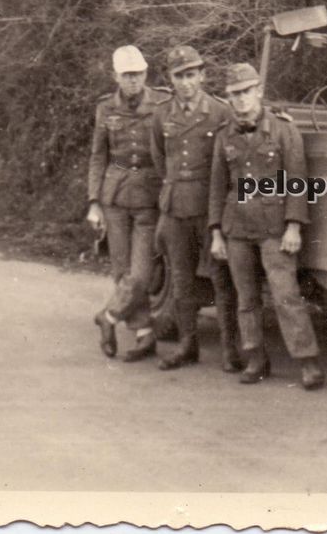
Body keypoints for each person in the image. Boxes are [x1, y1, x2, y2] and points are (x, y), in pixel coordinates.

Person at [208, 63, 325, 390]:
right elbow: (218, 188)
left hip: (274, 227)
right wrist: (216, 231)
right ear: (228, 98)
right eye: (234, 94)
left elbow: (298, 181)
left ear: (259, 91)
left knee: (286, 295)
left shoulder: (284, 130)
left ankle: (307, 360)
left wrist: (294, 227)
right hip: (237, 229)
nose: (241, 100)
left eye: (246, 92)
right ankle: (256, 357)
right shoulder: (224, 136)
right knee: (246, 298)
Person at [150, 45, 241, 372]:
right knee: (182, 280)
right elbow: (160, 161)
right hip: (175, 207)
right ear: (170, 79)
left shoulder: (220, 112)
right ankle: (188, 345)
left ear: (202, 76)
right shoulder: (161, 114)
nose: (186, 82)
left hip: (210, 207)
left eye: (191, 75)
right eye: (179, 76)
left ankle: (232, 349)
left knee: (221, 278)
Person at [87, 45, 170, 362]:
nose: (133, 80)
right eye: (126, 75)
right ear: (116, 76)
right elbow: (98, 157)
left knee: (142, 273)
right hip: (115, 196)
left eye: (137, 74)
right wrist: (94, 202)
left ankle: (107, 318)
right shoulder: (105, 109)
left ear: (146, 74)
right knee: (122, 271)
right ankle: (144, 333)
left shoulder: (161, 102)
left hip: (149, 196)